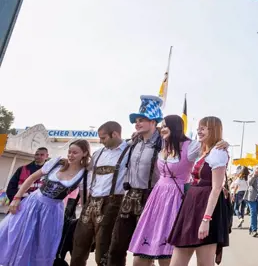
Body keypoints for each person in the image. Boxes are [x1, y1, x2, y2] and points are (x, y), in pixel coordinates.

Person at [0, 140, 90, 266]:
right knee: (16, 235)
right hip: (33, 203)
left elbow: (85, 199)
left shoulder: (84, 174)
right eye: (69, 152)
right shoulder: (58, 163)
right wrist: (16, 198)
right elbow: (32, 178)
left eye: (75, 153)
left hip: (52, 211)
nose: (70, 155)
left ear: (84, 153)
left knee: (40, 244)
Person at [128, 114, 199, 265]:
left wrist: (222, 144)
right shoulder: (163, 145)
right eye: (163, 126)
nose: (162, 129)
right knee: (140, 257)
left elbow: (210, 150)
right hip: (157, 198)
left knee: (167, 256)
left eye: (166, 126)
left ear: (176, 127)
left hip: (176, 199)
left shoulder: (190, 146)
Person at [109, 95, 164, 266]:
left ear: (154, 121)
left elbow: (190, 148)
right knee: (117, 246)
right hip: (129, 197)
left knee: (144, 249)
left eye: (142, 120)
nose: (137, 123)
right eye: (136, 120)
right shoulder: (133, 142)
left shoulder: (164, 143)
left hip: (151, 198)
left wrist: (221, 143)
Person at [167, 116, 230, 266]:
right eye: (198, 128)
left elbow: (216, 188)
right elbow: (177, 140)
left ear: (213, 129)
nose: (198, 131)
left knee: (204, 263)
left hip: (207, 208)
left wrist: (206, 219)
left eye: (203, 128)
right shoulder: (202, 150)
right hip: (191, 205)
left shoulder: (218, 153)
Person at [71, 121, 131, 266]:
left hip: (112, 203)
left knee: (105, 248)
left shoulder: (130, 150)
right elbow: (83, 170)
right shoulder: (98, 153)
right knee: (79, 245)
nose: (100, 141)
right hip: (91, 202)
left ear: (115, 134)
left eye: (103, 138)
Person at [245, 164, 258, 237]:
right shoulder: (251, 176)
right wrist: (254, 175)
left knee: (255, 213)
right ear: (254, 169)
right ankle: (254, 230)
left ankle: (251, 227)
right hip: (252, 198)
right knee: (253, 212)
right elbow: (249, 183)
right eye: (257, 168)